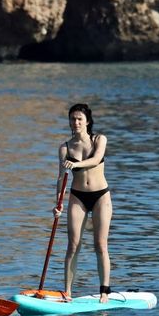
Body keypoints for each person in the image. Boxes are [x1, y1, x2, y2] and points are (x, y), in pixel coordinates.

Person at [53, 103, 113, 303]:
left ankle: (104, 291)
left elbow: (96, 160)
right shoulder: (65, 147)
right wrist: (58, 204)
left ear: (87, 121)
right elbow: (61, 178)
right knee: (72, 245)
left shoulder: (99, 140)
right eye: (72, 119)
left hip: (100, 197)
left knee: (100, 244)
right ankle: (67, 292)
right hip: (77, 196)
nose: (76, 122)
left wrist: (76, 164)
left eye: (79, 119)